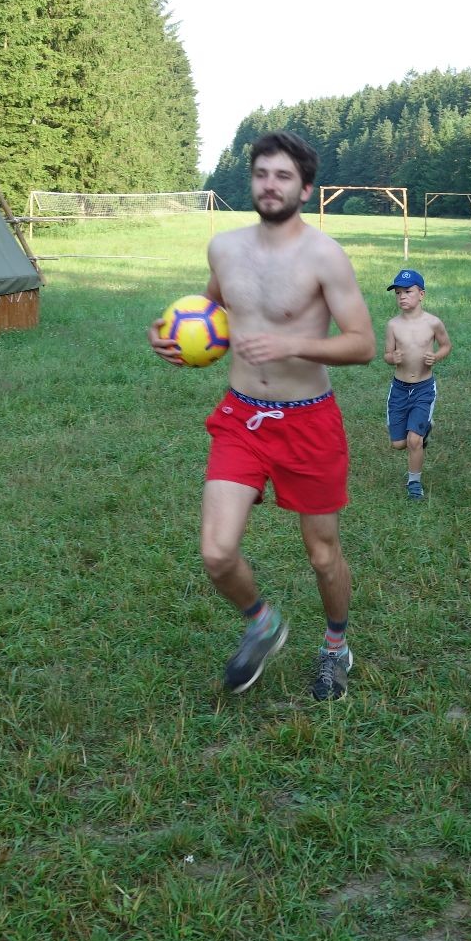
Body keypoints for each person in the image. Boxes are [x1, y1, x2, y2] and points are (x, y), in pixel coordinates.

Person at [148, 131, 375, 701]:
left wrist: (292, 344)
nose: (270, 185)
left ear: (305, 189)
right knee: (216, 552)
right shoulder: (224, 249)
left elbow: (363, 343)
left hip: (309, 420)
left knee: (322, 553)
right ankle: (263, 622)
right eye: (262, 174)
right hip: (242, 415)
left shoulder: (324, 256)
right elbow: (212, 314)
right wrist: (176, 339)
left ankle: (335, 647)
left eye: (283, 176)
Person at [383, 268, 451, 501]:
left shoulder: (433, 323)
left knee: (414, 440)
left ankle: (414, 483)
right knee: (398, 443)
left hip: (423, 388)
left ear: (421, 294)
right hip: (399, 389)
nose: (402, 296)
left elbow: (446, 345)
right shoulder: (393, 325)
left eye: (408, 291)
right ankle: (423, 430)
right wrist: (393, 357)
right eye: (398, 293)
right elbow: (386, 354)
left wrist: (436, 356)